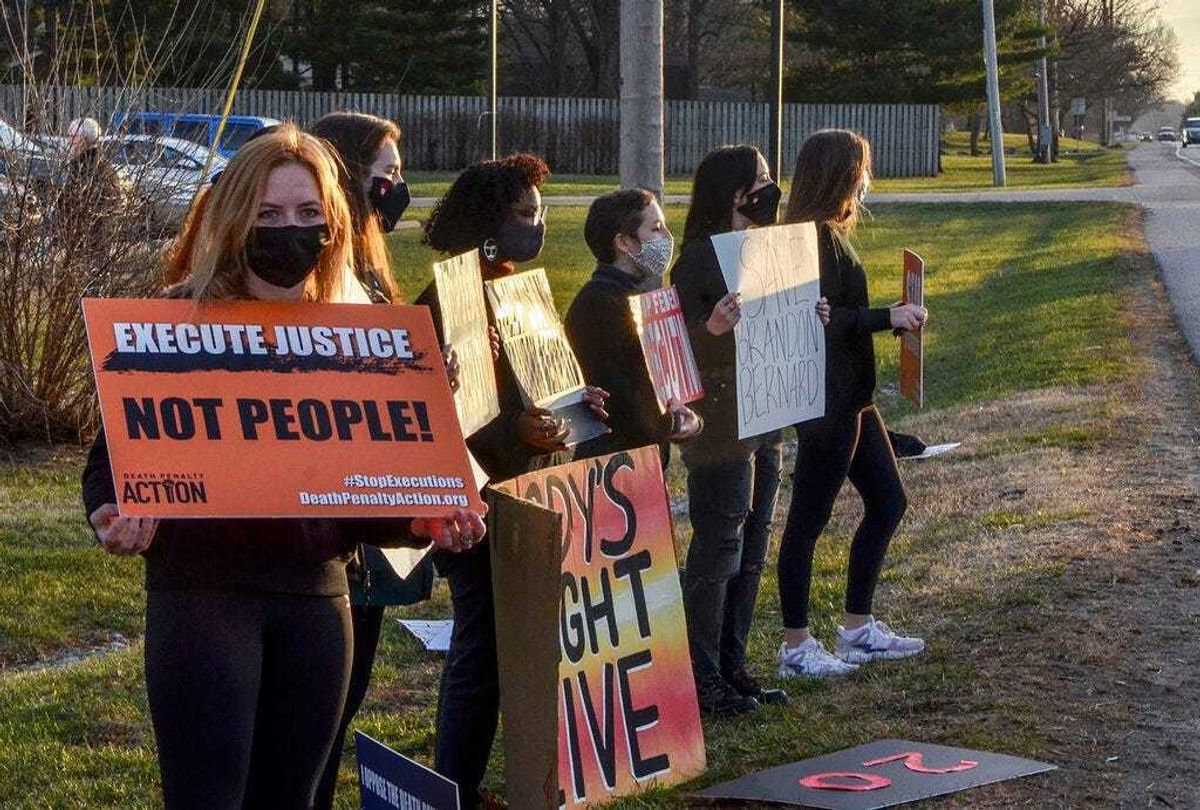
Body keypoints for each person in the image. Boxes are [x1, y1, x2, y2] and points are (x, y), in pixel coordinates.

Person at [80, 124, 486, 810]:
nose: (287, 231)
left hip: (319, 603)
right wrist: (111, 511)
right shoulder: (174, 324)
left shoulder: (365, 337)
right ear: (234, 217)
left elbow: (363, 492)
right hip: (202, 596)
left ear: (333, 225)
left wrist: (422, 518)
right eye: (267, 215)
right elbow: (112, 462)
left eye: (306, 216)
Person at [420, 153, 608, 808]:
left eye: (540, 211)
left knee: (509, 649)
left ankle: (489, 780)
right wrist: (515, 435)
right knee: (481, 651)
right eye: (526, 212)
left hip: (525, 492)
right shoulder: (447, 303)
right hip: (472, 503)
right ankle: (457, 787)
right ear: (488, 220)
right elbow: (450, 418)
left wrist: (580, 404)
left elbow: (538, 390)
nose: (538, 224)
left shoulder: (517, 287)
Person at [306, 111, 440, 810]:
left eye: (397, 175)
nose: (395, 189)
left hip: (374, 520)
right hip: (334, 517)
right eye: (383, 175)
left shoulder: (372, 261)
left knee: (341, 702)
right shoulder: (316, 268)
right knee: (312, 718)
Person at [671, 144, 829, 716]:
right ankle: (700, 674)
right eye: (759, 180)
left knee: (755, 546)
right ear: (733, 193)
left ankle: (734, 664)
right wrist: (710, 326)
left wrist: (812, 317)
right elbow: (671, 343)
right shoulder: (697, 258)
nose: (770, 189)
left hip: (768, 415)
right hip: (721, 426)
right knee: (718, 550)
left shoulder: (769, 249)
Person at [775, 129, 928, 679]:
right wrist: (887, 318)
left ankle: (858, 630)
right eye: (862, 169)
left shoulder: (835, 235)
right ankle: (796, 647)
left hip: (855, 399)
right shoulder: (810, 238)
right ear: (842, 174)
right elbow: (818, 322)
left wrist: (890, 315)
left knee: (888, 502)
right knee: (807, 523)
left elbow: (837, 315)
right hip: (826, 403)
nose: (868, 180)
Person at [564, 187, 702, 461]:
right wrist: (674, 425)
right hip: (614, 467)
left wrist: (686, 418)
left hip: (642, 461)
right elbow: (618, 398)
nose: (667, 238)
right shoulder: (598, 305)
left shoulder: (635, 298)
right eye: (656, 229)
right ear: (624, 243)